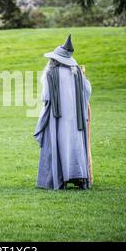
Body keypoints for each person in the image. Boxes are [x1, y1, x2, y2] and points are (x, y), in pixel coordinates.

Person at [34, 35, 92, 190]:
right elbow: (87, 90)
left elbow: (46, 97)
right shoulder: (78, 73)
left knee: (59, 143)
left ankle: (61, 178)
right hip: (77, 119)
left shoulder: (51, 74)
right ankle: (79, 177)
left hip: (57, 117)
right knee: (75, 144)